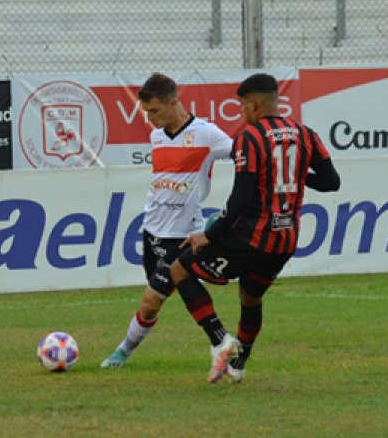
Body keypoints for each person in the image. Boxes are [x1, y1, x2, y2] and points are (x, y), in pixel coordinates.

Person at [168, 73, 341, 384]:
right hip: (284, 241)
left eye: (243, 107)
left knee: (179, 270)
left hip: (250, 237)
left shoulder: (250, 137)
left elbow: (240, 199)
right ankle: (239, 364)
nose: (243, 113)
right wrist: (296, 173)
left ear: (255, 104)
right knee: (251, 297)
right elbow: (331, 182)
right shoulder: (306, 134)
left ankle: (220, 340)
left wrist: (209, 234)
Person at [100, 73, 232, 369]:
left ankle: (221, 342)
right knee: (152, 304)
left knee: (165, 291)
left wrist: (225, 214)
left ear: (174, 102)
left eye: (155, 111)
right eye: (146, 112)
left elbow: (244, 157)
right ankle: (222, 343)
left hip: (184, 234)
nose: (150, 118)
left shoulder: (207, 134)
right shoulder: (156, 136)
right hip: (153, 232)